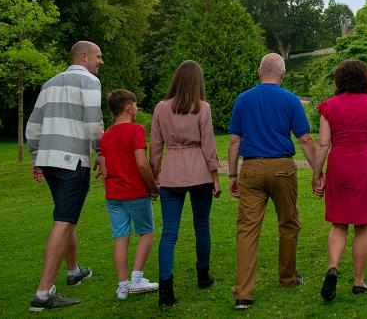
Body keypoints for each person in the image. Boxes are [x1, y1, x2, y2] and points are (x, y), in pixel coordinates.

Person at [227, 53, 317, 310]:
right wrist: (318, 172)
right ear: (283, 74)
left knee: (247, 230)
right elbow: (305, 140)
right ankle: (288, 278)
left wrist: (233, 174)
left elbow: (234, 140)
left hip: (252, 169)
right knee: (288, 223)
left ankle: (243, 293)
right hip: (282, 169)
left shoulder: (243, 99)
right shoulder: (290, 99)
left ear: (259, 72)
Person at [26, 41, 104, 311]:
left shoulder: (49, 84)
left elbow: (33, 125)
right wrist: (100, 153)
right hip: (72, 161)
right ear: (84, 57)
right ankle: (43, 294)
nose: (100, 62)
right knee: (63, 221)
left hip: (49, 161)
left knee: (65, 216)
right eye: (98, 56)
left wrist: (36, 156)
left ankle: (74, 272)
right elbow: (94, 122)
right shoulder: (90, 82)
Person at [312, 59, 367, 302]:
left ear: (339, 80)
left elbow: (323, 144)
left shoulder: (328, 107)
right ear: (366, 79)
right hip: (364, 165)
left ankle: (332, 267)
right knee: (363, 225)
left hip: (338, 164)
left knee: (338, 223)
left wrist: (317, 173)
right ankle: (358, 281)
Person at [150, 60, 222, 307]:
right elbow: (209, 145)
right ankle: (203, 276)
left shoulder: (161, 108)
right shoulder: (202, 108)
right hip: (200, 172)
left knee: (169, 233)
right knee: (202, 226)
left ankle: (165, 290)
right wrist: (216, 177)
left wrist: (155, 173)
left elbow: (155, 146)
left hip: (171, 173)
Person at [97, 89, 160, 300]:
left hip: (114, 196)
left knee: (120, 239)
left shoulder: (105, 137)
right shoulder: (136, 131)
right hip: (135, 192)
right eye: (136, 105)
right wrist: (153, 188)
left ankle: (122, 287)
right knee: (146, 232)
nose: (137, 108)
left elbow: (104, 170)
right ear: (128, 108)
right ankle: (137, 279)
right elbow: (142, 163)